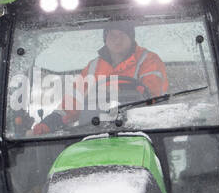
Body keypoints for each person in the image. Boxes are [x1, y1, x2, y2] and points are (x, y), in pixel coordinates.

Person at [31, 21, 169, 134]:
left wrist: (113, 92)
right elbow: (74, 100)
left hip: (140, 130)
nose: (117, 40)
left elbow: (152, 95)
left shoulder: (148, 60)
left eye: (122, 35)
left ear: (131, 38)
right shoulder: (94, 66)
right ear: (105, 39)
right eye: (112, 35)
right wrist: (50, 122)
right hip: (95, 132)